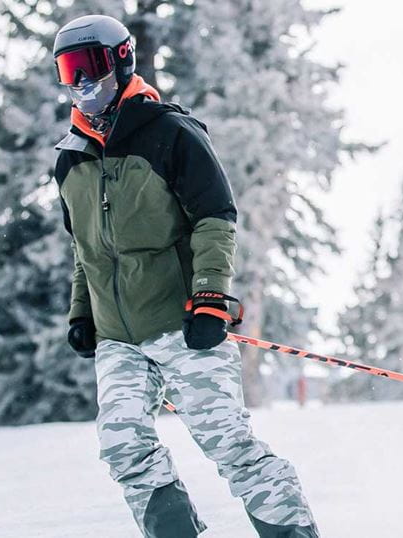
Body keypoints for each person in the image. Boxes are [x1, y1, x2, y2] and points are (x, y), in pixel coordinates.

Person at [50, 14, 318, 538]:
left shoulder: (171, 133)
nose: (81, 81)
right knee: (121, 442)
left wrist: (211, 297)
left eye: (90, 66)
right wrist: (82, 313)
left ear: (121, 60)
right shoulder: (70, 160)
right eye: (67, 69)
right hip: (118, 338)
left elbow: (215, 219)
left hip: (181, 322)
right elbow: (85, 250)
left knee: (226, 442)